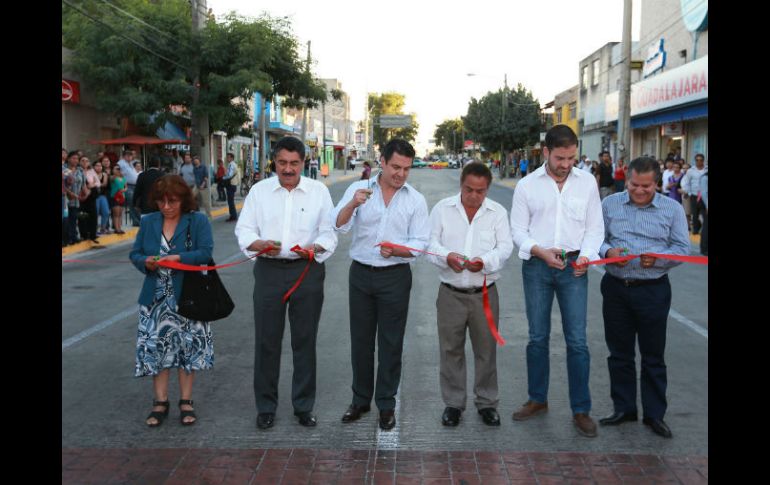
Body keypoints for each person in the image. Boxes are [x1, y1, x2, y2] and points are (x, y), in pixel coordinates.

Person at [234, 136, 338, 430]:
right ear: (274, 163)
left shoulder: (319, 192)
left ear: (304, 163)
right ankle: (266, 407)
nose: (288, 169)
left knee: (304, 341)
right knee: (267, 341)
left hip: (307, 271)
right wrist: (257, 244)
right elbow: (244, 230)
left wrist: (315, 248)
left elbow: (329, 233)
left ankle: (303, 406)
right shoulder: (259, 191)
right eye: (282, 163)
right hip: (268, 271)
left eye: (294, 163)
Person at [509, 124, 604, 438]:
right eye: (560, 157)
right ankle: (537, 399)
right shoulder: (526, 186)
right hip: (537, 266)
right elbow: (518, 232)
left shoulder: (587, 183)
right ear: (546, 152)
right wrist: (539, 251)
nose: (566, 164)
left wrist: (587, 255)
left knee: (577, 341)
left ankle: (581, 409)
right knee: (538, 337)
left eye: (571, 158)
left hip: (574, 267)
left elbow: (594, 228)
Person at [332, 138, 430, 431]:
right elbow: (338, 224)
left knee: (391, 342)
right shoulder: (359, 189)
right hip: (361, 274)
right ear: (382, 162)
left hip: (395, 276)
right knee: (361, 342)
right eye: (396, 167)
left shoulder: (415, 200)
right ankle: (360, 400)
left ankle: (386, 403)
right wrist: (353, 203)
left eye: (406, 169)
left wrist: (398, 250)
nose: (400, 174)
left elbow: (421, 243)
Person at [597, 157, 690, 439]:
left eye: (646, 186)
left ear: (657, 184)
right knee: (619, 353)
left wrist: (660, 259)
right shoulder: (610, 204)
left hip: (653, 289)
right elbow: (595, 239)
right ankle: (624, 408)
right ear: (626, 181)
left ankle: (654, 414)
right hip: (616, 287)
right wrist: (608, 252)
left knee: (653, 355)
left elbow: (682, 249)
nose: (639, 191)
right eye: (634, 185)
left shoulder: (671, 209)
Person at [426, 162, 513, 427]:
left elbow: (505, 247)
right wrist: (446, 256)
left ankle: (487, 403)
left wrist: (484, 261)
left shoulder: (497, 212)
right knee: (450, 349)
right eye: (469, 189)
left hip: (484, 293)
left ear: (487, 189)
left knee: (486, 350)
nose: (474, 196)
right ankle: (453, 404)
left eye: (480, 191)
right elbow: (430, 243)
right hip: (451, 293)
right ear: (460, 184)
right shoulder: (442, 209)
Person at [129, 175, 214, 427]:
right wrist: (145, 261)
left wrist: (178, 258)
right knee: (156, 349)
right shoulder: (149, 222)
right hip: (155, 300)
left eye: (172, 201)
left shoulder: (197, 221)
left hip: (188, 297)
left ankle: (186, 401)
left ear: (183, 200)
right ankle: (160, 402)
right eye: (161, 201)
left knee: (188, 348)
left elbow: (206, 252)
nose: (166, 207)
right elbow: (135, 253)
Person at [680, 154, 707, 235]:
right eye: (697, 160)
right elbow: (687, 183)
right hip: (694, 195)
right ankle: (695, 229)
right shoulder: (690, 171)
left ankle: (704, 230)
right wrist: (688, 192)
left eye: (701, 160)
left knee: (704, 214)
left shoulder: (707, 170)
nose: (699, 161)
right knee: (694, 215)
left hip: (704, 196)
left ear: (703, 160)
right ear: (695, 161)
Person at [117, 150, 141, 227]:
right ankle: (136, 221)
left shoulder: (130, 164)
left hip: (135, 185)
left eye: (130, 155)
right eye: (128, 155)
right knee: (132, 202)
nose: (130, 157)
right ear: (124, 156)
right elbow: (118, 172)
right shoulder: (121, 163)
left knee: (137, 202)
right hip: (127, 185)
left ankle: (138, 220)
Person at [94, 158, 112, 235]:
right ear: (93, 167)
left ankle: (103, 228)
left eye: (100, 166)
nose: (99, 167)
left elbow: (104, 184)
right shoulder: (90, 174)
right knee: (96, 213)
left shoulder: (104, 174)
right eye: (97, 166)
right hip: (94, 196)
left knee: (106, 212)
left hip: (102, 195)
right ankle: (94, 229)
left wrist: (96, 184)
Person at [110, 165, 127, 235]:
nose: (118, 170)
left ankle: (119, 228)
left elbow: (126, 187)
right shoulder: (112, 177)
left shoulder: (123, 178)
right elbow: (112, 179)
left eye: (119, 169)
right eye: (116, 169)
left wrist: (124, 190)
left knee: (120, 213)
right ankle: (116, 228)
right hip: (115, 196)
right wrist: (116, 173)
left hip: (122, 197)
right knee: (116, 214)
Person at [222, 153, 240, 221]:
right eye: (227, 157)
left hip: (230, 184)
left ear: (232, 158)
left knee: (230, 201)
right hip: (233, 184)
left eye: (228, 157)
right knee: (231, 201)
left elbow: (229, 175)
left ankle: (233, 216)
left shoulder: (231, 165)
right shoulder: (234, 164)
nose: (227, 159)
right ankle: (233, 215)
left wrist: (223, 178)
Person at [699, 168, 708, 256]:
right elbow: (704, 193)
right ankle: (704, 248)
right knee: (706, 226)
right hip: (706, 205)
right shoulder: (705, 177)